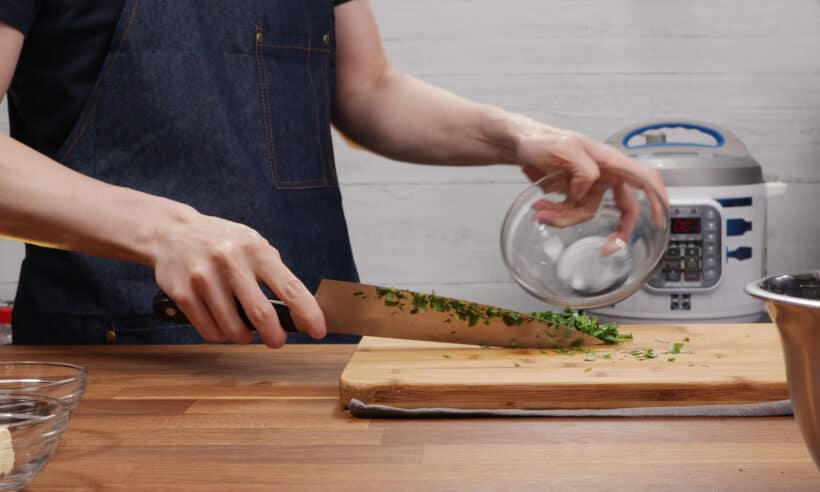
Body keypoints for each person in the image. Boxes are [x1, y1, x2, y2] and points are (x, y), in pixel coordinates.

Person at [0, 1, 667, 346]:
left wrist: (520, 135)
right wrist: (165, 229)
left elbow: (367, 89)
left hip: (317, 342)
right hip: (120, 357)